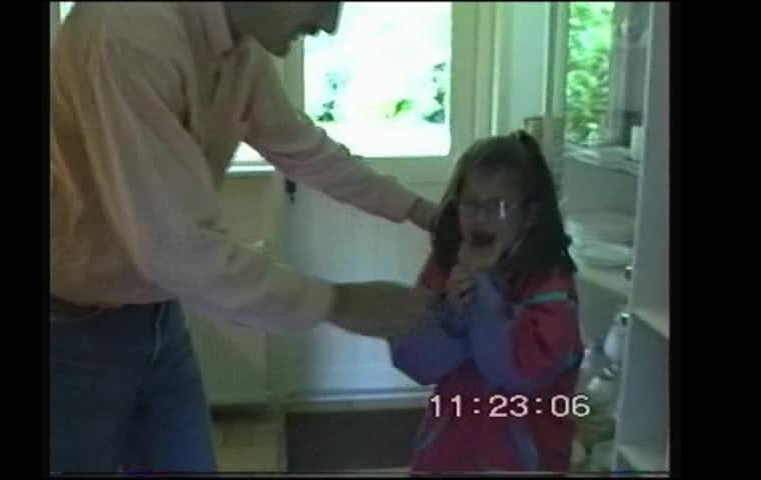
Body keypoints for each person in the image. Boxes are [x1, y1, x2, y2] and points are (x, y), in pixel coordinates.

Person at [50, 2, 438, 473]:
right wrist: (343, 303)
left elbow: (304, 150)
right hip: (70, 330)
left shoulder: (237, 49)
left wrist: (420, 211)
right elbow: (176, 250)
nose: (329, 25)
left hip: (157, 315)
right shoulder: (129, 32)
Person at [389, 131, 584, 473]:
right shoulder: (447, 266)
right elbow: (414, 363)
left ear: (530, 215)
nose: (482, 217)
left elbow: (516, 374)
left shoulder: (552, 288)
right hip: (447, 456)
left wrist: (485, 295)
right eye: (472, 204)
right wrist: (449, 316)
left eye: (500, 206)